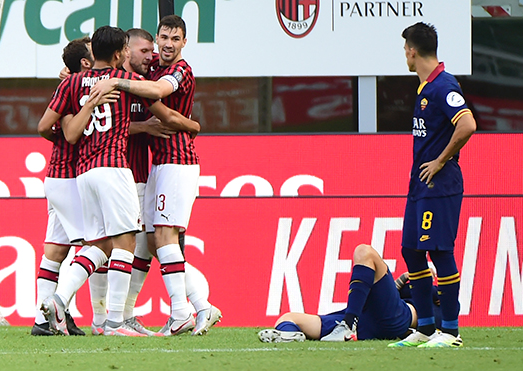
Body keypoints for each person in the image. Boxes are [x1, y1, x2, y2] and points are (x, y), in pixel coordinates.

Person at [91, 15, 222, 337]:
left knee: (162, 237)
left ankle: (183, 310)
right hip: (158, 165)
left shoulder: (179, 71)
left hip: (177, 161)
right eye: (162, 38)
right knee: (150, 242)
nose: (165, 45)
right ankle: (192, 307)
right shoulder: (153, 69)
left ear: (183, 43)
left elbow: (159, 95)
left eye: (173, 39)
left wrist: (117, 83)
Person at [388, 22, 476, 348]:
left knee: (439, 251)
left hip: (440, 185)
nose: (405, 56)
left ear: (412, 50)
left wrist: (441, 160)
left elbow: (467, 124)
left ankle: (450, 331)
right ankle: (425, 327)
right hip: (420, 184)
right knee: (411, 250)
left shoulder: (443, 86)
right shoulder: (425, 87)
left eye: (405, 50)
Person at [31, 37, 96, 336]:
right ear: (85, 61)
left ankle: (43, 320)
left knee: (55, 251)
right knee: (96, 245)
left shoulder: (74, 83)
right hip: (69, 176)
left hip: (58, 175)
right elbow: (47, 127)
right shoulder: (74, 88)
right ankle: (59, 306)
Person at [258, 244, 442, 343]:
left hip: (396, 318)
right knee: (288, 318)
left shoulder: (435, 296)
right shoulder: (407, 289)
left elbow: (434, 313)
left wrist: (420, 282)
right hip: (364, 320)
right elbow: (385, 295)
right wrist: (403, 279)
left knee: (364, 252)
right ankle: (291, 336)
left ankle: (347, 325)